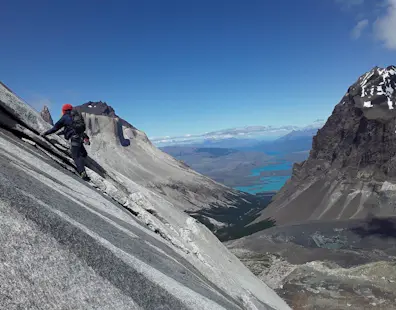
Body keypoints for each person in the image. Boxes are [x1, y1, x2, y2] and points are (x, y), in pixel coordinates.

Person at [41, 103, 91, 181]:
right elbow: (75, 128)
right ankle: (84, 159)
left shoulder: (65, 118)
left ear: (64, 110)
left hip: (74, 139)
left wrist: (46, 133)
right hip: (80, 137)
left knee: (76, 157)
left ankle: (83, 173)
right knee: (82, 153)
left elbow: (55, 128)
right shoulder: (77, 115)